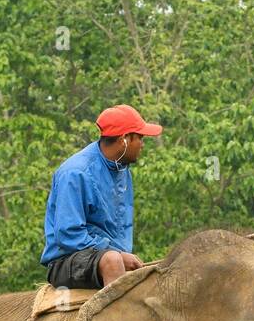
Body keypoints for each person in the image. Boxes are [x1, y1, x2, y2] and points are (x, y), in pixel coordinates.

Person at [40, 104, 163, 290]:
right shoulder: (75, 173)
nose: (143, 144)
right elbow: (68, 234)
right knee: (112, 261)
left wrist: (123, 255)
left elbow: (119, 231)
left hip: (105, 256)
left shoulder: (122, 169)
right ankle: (119, 319)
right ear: (124, 140)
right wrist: (118, 255)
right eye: (140, 137)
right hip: (66, 260)